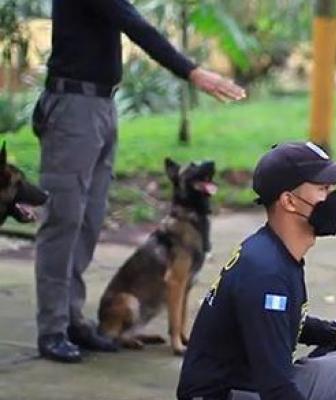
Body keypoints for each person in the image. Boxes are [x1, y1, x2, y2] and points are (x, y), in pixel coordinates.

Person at [32, 0, 246, 363]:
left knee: (88, 220)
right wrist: (192, 71)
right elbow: (132, 23)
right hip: (73, 106)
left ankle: (71, 317)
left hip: (102, 104)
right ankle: (52, 328)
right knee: (64, 220)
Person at [177, 142, 336, 400]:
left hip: (249, 385)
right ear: (289, 201)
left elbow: (278, 321)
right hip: (229, 394)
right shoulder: (267, 273)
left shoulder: (273, 251)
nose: (334, 197)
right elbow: (277, 389)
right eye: (324, 188)